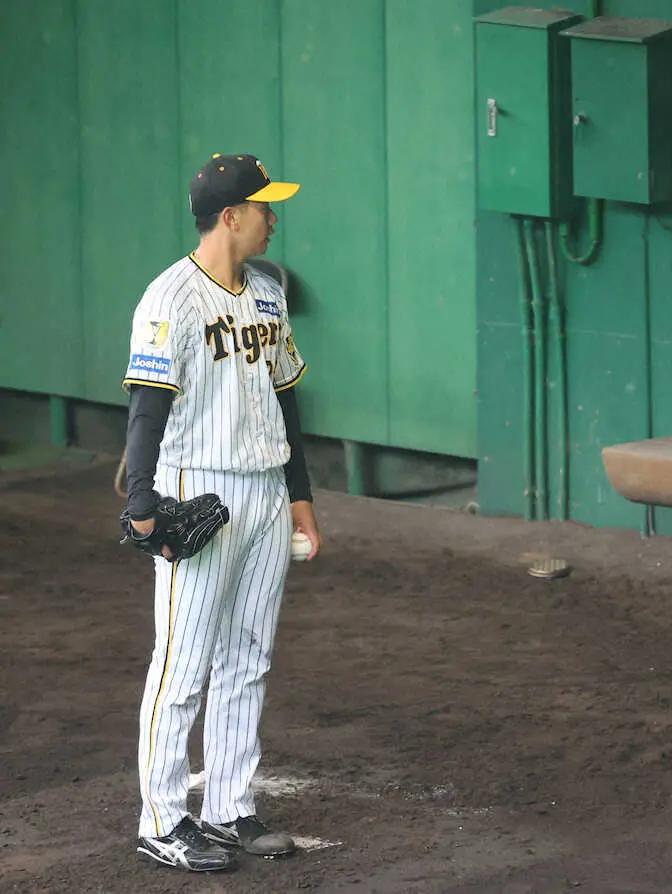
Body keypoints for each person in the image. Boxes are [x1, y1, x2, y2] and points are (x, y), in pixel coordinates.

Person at [122, 153, 322, 869]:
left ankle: (230, 806)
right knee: (182, 665)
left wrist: (299, 495)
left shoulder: (268, 292)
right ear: (230, 216)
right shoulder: (170, 298)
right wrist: (144, 503)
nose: (275, 219)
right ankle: (161, 819)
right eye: (266, 207)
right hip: (198, 486)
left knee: (248, 658)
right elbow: (147, 407)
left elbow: (285, 397)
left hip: (266, 493)